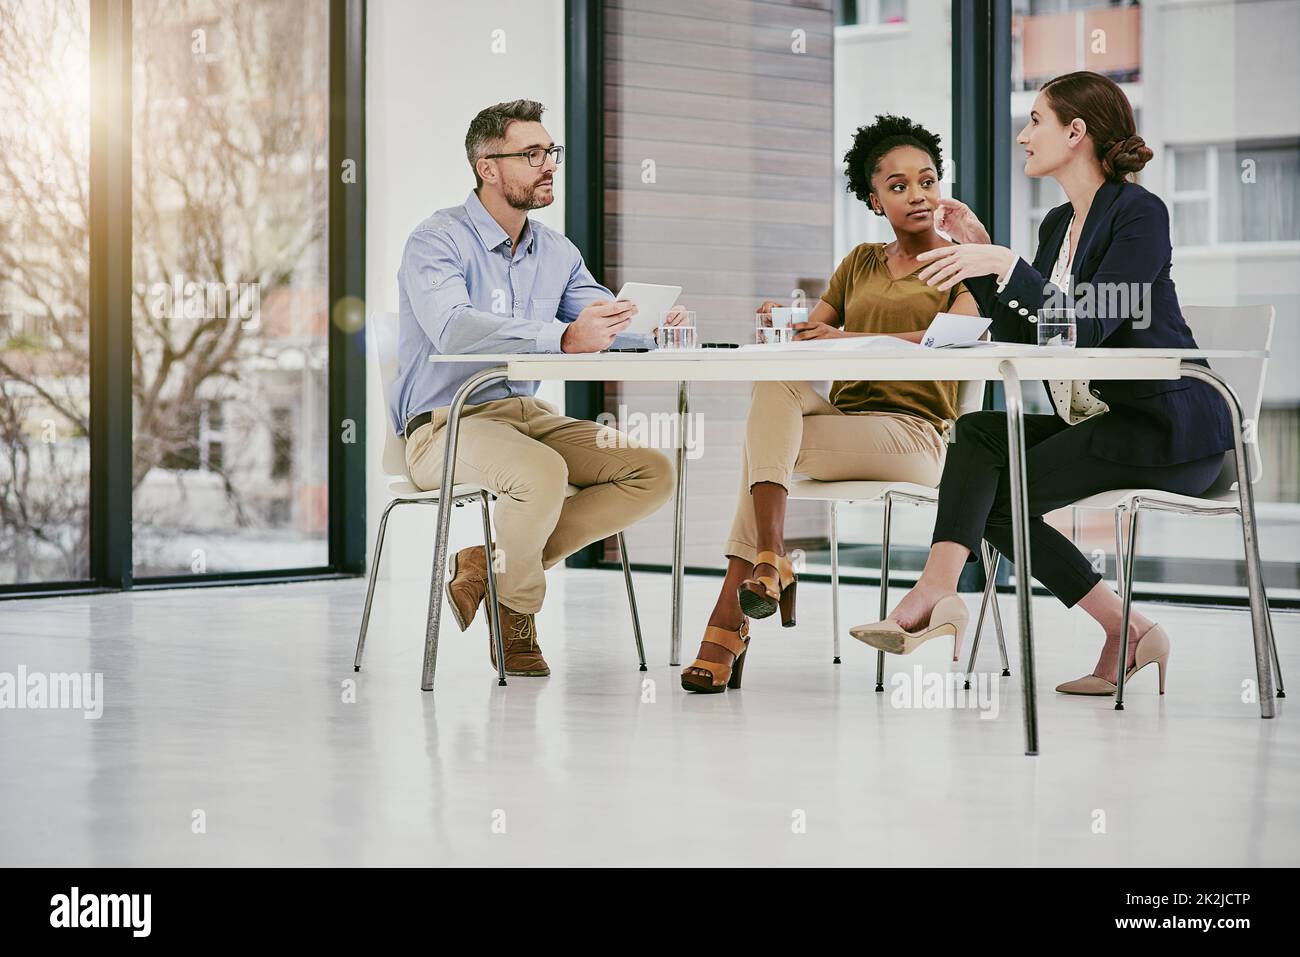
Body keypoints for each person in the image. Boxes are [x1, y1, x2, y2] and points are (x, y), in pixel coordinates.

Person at [849, 71, 1234, 697]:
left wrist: (1007, 264)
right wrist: (981, 258)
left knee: (996, 502)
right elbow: (1024, 334)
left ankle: (951, 599)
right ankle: (946, 592)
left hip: (1171, 434)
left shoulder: (1140, 213)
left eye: (1036, 121)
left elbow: (1091, 323)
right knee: (978, 435)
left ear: (1075, 132)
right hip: (1104, 423)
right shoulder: (1059, 223)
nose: (1024, 136)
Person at [681, 115, 982, 693]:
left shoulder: (962, 264)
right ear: (875, 201)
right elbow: (810, 341)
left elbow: (955, 336)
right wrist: (787, 323)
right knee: (773, 383)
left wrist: (848, 340)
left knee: (760, 451)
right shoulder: (861, 262)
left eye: (927, 180)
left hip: (915, 436)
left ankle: (734, 610)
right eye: (898, 186)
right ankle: (768, 561)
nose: (917, 195)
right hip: (848, 425)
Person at [395, 99, 678, 677]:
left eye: (550, 151)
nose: (549, 164)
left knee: (650, 470)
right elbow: (454, 325)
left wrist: (643, 326)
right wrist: (564, 337)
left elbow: (592, 322)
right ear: (487, 167)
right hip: (442, 428)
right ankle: (518, 613)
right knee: (541, 475)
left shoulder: (555, 250)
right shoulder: (436, 240)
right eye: (532, 154)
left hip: (526, 414)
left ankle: (488, 562)